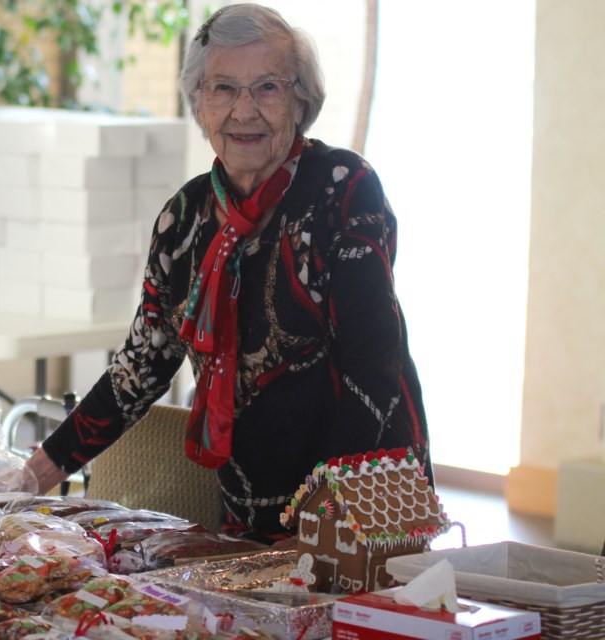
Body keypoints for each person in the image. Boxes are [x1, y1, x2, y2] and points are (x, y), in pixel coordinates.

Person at [23, 2, 431, 543]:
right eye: (223, 88)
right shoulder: (184, 218)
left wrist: (327, 515)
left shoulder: (343, 188)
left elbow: (372, 361)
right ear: (199, 103)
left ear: (300, 100)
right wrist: (33, 474)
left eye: (267, 87)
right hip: (250, 513)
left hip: (362, 504)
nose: (244, 111)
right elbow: (141, 367)